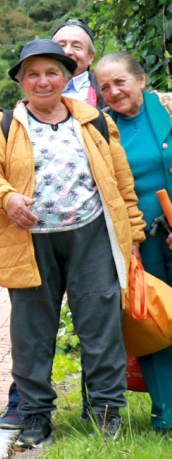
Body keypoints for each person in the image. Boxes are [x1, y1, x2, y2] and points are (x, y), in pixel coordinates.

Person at [0, 39, 145, 448]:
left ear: (67, 77)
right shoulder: (4, 126)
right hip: (29, 240)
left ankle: (106, 413)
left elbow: (123, 185)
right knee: (31, 333)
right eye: (32, 74)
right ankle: (35, 416)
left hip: (92, 236)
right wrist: (8, 199)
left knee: (100, 328)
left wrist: (133, 237)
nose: (43, 81)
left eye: (52, 72)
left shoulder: (96, 122)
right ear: (21, 82)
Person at [95, 52, 172, 435]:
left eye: (120, 81)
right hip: (141, 242)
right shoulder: (102, 129)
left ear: (141, 79)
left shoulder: (169, 111)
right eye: (105, 86)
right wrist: (128, 241)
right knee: (155, 323)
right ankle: (166, 415)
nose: (113, 91)